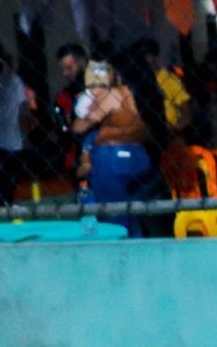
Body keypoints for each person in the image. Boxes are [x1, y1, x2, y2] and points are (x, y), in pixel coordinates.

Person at [72, 45, 170, 237]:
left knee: (115, 219)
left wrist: (86, 104)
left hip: (112, 160)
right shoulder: (133, 92)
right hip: (139, 157)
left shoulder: (110, 95)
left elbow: (79, 127)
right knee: (135, 218)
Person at [0, 40, 38, 204]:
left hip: (1, 144)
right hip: (2, 144)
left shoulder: (9, 81)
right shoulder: (9, 81)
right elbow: (23, 114)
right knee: (4, 191)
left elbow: (23, 114)